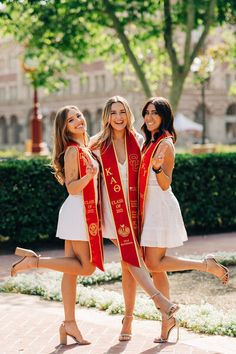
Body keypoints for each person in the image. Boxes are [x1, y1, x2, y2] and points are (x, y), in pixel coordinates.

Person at [11, 105, 104, 346]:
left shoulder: (84, 147)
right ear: (64, 128)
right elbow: (72, 187)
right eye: (71, 120)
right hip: (78, 211)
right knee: (86, 268)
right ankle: (34, 261)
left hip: (81, 211)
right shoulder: (73, 151)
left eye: (79, 116)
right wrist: (91, 175)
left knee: (71, 272)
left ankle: (69, 323)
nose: (78, 121)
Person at [139, 96, 229, 343]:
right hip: (149, 207)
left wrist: (157, 169)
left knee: (153, 263)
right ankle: (167, 320)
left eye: (154, 113)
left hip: (159, 205)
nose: (149, 118)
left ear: (164, 117)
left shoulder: (165, 143)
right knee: (156, 269)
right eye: (146, 113)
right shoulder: (151, 141)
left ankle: (205, 265)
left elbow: (166, 183)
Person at [90, 95, 179, 342]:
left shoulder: (138, 141)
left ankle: (137, 320)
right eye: (113, 113)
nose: (118, 118)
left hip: (139, 211)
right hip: (112, 212)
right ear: (107, 116)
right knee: (132, 258)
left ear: (128, 115)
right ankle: (160, 303)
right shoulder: (96, 144)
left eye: (122, 112)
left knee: (135, 264)